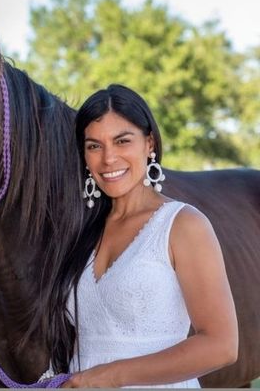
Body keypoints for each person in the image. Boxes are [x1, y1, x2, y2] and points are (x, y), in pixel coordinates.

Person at [42, 84, 238, 388]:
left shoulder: (183, 225)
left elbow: (221, 346)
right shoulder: (80, 230)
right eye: (94, 146)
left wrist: (109, 377)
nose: (108, 159)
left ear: (149, 143)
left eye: (122, 141)